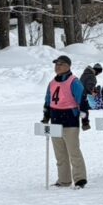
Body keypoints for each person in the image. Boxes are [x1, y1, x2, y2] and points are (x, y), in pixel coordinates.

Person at [41, 55, 88, 188]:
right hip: (56, 119)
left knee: (74, 151)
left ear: (68, 66)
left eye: (61, 64)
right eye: (56, 64)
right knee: (60, 153)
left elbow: (82, 102)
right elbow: (47, 101)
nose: (57, 66)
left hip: (70, 120)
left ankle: (80, 179)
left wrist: (85, 120)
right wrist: (46, 116)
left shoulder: (74, 82)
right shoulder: (52, 82)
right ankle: (64, 179)